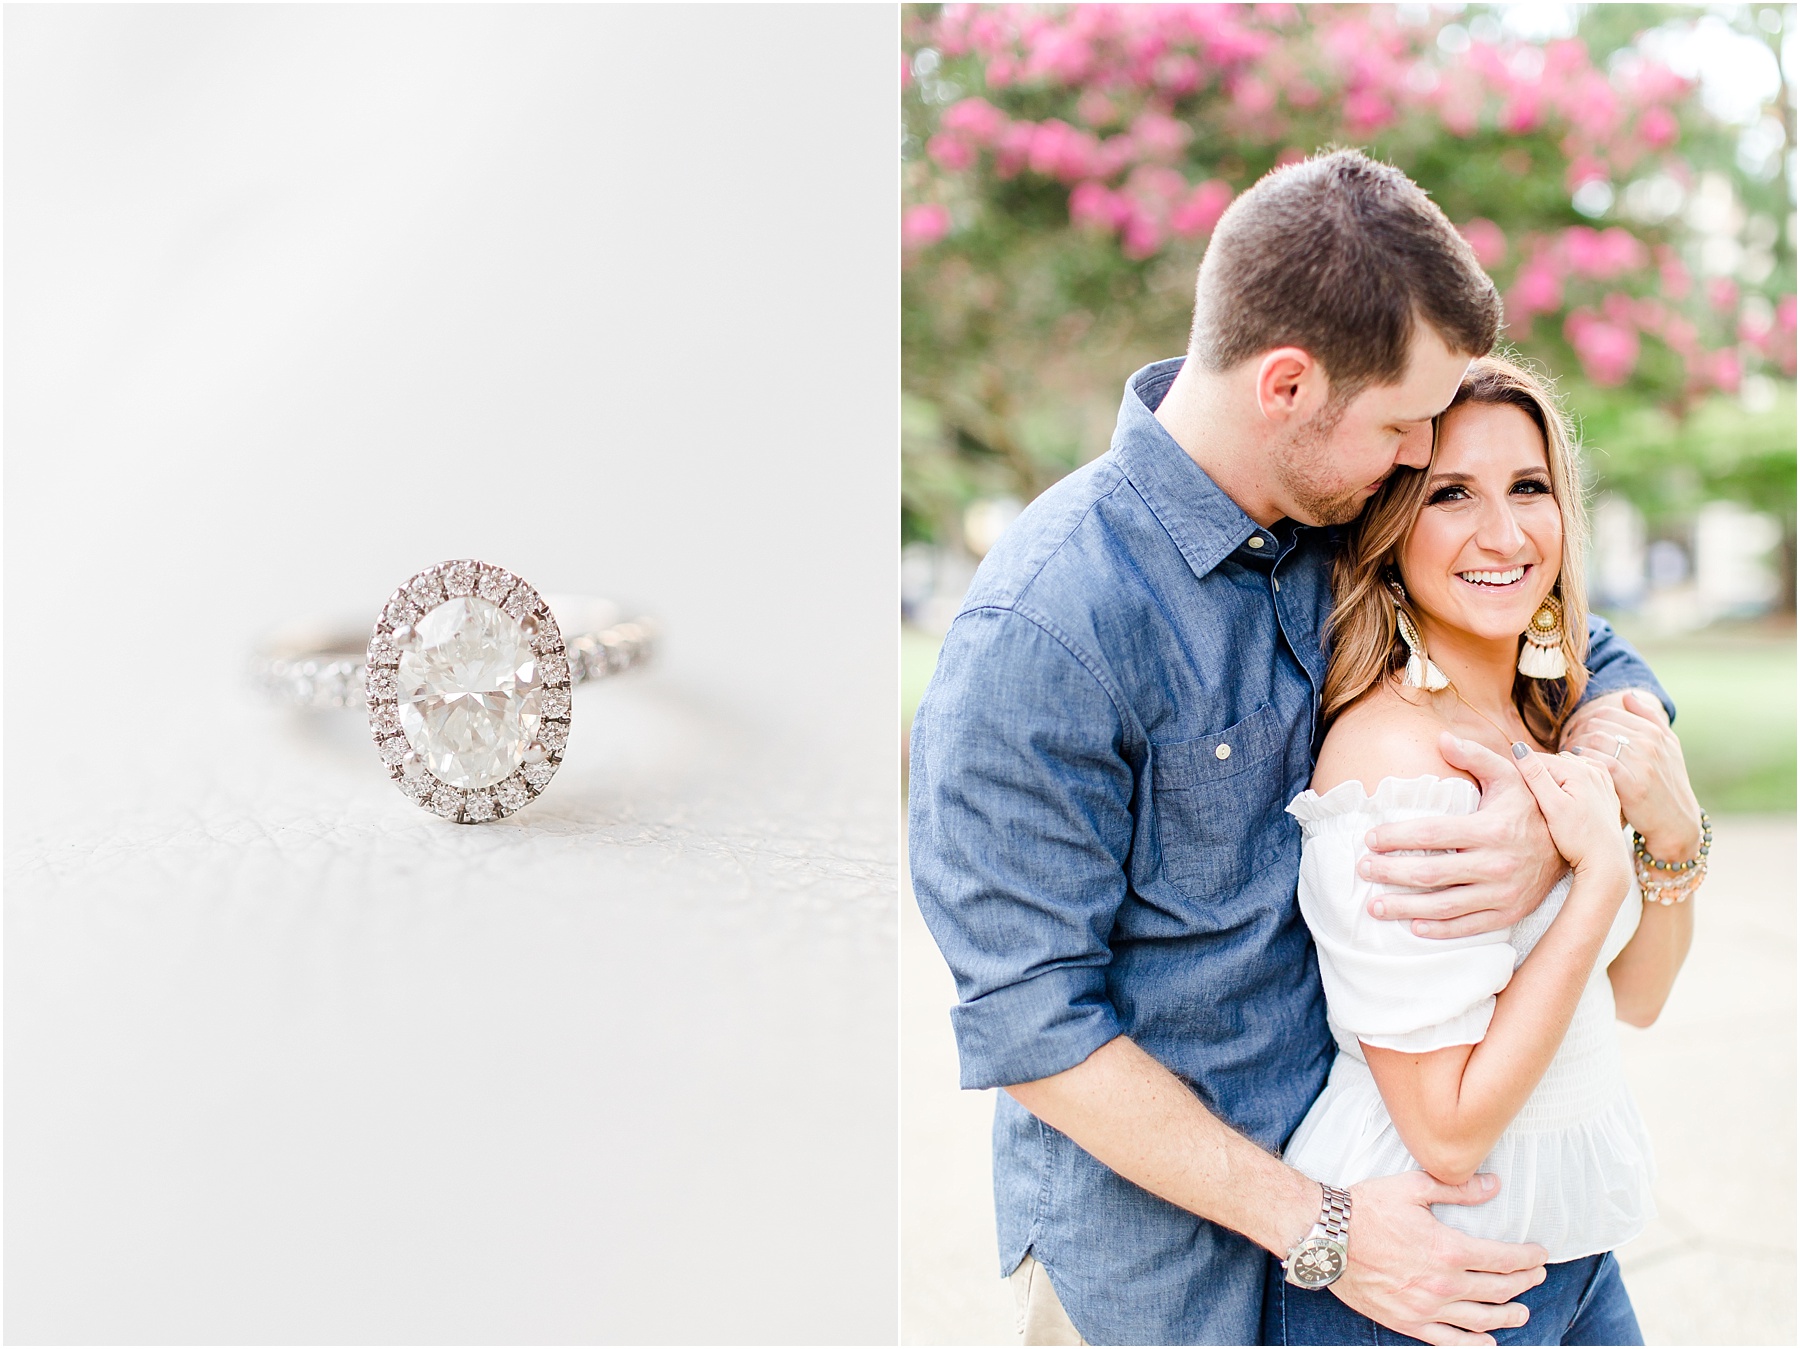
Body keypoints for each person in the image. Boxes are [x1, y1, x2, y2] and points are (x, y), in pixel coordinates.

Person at [908, 149, 1686, 1347]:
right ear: (1287, 384)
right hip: (1164, 1273)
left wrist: (1547, 804)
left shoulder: (1334, 509)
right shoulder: (1048, 626)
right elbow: (1032, 1024)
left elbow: (1588, 647)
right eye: (1404, 424)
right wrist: (1324, 1224)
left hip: (1390, 1211)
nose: (1423, 453)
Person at [1263, 356, 1705, 1346]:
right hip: (1429, 1282)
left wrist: (1671, 837)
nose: (1504, 535)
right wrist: (1594, 871)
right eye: (1451, 493)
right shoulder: (1393, 760)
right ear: (1388, 527)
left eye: (1530, 487)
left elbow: (1636, 995)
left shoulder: (1543, 712)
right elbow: (1449, 1129)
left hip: (1573, 1254)